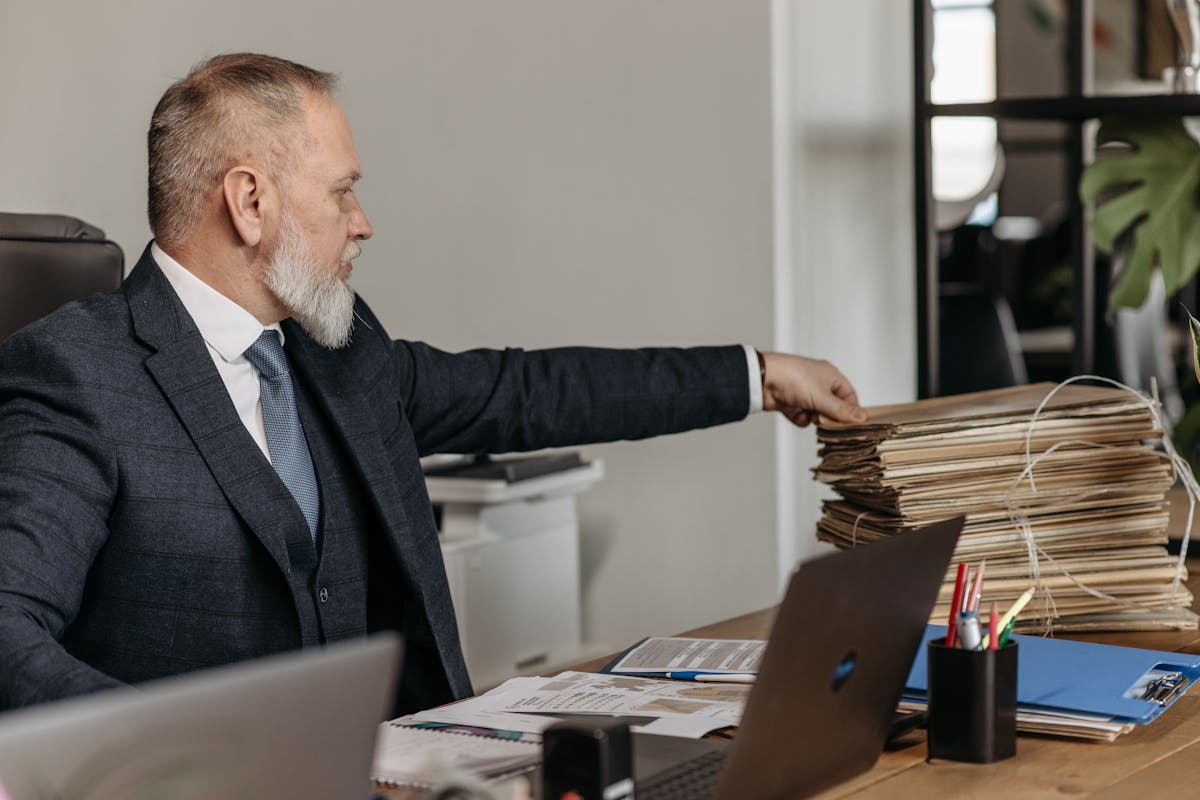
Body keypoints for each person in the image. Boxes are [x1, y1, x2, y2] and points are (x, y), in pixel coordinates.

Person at [0, 53, 866, 714]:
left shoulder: (337, 350)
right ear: (249, 202)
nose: (363, 223)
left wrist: (758, 374)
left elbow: (524, 393)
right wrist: (175, 762)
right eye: (342, 193)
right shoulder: (77, 374)